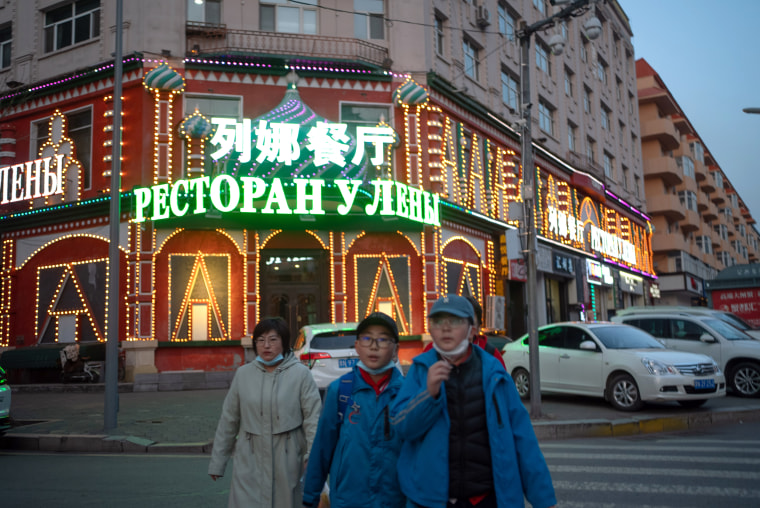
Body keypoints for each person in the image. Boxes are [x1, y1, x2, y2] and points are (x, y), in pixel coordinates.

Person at [392, 294, 556, 508]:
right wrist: (427, 393)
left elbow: (522, 439)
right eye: (438, 321)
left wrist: (543, 499)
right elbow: (402, 427)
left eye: (456, 321)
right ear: (431, 330)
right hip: (432, 500)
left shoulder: (495, 373)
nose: (446, 328)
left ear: (472, 331)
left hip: (488, 498)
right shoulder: (420, 370)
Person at [209, 317, 322, 508]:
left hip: (288, 458)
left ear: (284, 342)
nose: (266, 346)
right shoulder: (243, 374)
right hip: (249, 459)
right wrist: (217, 462)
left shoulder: (301, 374)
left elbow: (313, 419)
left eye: (273, 339)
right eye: (260, 340)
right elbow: (229, 420)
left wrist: (311, 457)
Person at [302, 312, 405, 508]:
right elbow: (322, 448)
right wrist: (311, 496)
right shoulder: (340, 391)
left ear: (395, 350)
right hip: (349, 499)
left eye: (383, 339)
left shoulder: (406, 394)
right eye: (367, 338)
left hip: (393, 499)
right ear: (357, 346)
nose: (374, 346)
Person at [422, 296, 506, 369]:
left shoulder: (491, 355)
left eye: (470, 323)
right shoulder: (430, 352)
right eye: (457, 321)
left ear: (476, 329)